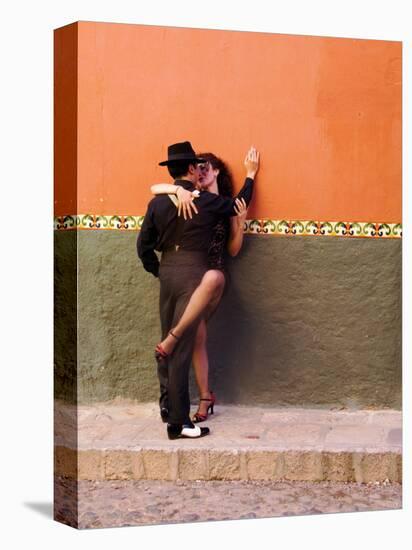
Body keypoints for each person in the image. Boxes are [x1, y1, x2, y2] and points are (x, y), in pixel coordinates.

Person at [136, 141, 257, 439]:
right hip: (194, 272)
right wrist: (251, 176)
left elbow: (143, 247)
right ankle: (179, 424)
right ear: (191, 169)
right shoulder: (203, 200)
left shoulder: (158, 203)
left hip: (168, 272)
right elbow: (238, 204)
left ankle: (169, 408)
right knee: (178, 345)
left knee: (169, 341)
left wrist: (158, 270)